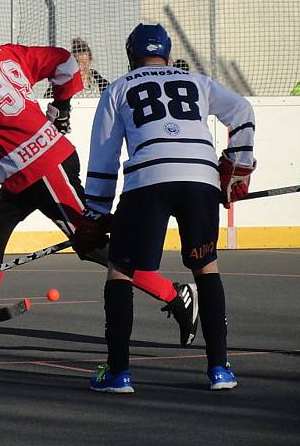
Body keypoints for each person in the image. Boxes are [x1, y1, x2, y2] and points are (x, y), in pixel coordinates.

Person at [0, 2, 198, 362]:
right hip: (28, 170)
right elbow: (65, 62)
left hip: (43, 166)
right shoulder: (6, 51)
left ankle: (175, 296)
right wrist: (60, 108)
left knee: (92, 243)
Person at [78, 23, 255, 393]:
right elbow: (242, 111)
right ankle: (220, 369)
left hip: (148, 181)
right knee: (206, 266)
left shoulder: (119, 88)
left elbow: (104, 158)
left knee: (121, 272)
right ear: (169, 54)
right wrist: (238, 166)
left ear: (130, 55)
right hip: (200, 180)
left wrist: (94, 214)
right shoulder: (198, 82)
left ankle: (118, 373)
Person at [43, 38, 108, 98]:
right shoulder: (62, 81)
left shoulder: (101, 84)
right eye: (77, 62)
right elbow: (47, 101)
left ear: (90, 61)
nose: (80, 66)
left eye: (83, 62)